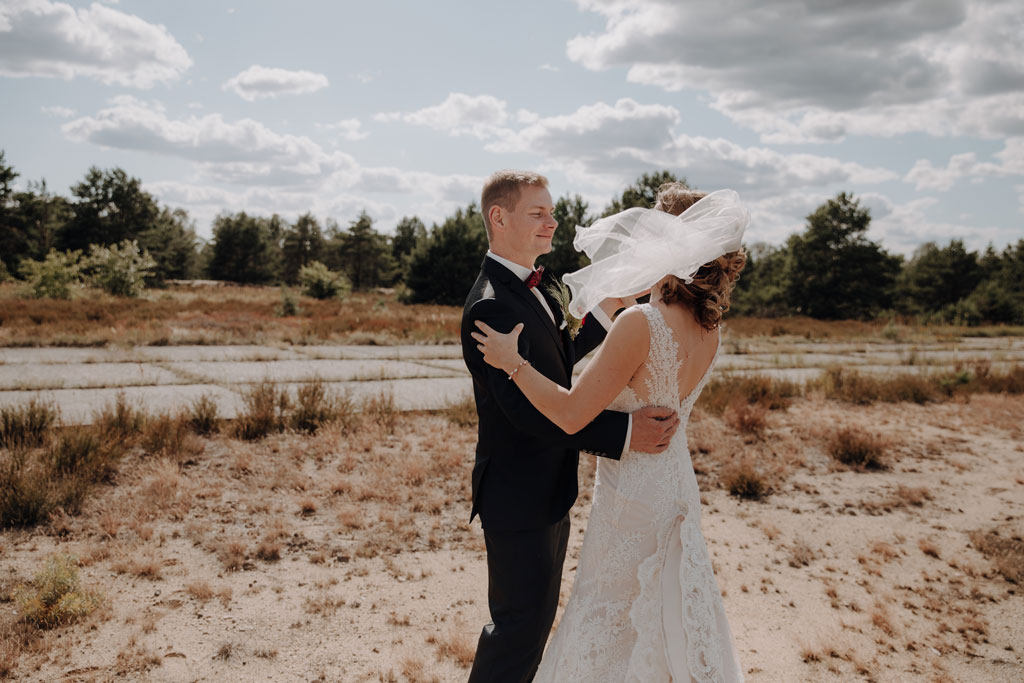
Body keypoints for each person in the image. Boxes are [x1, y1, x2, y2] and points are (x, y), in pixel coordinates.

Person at [472, 182, 748, 682]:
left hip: (633, 494)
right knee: (664, 613)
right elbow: (580, 364)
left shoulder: (641, 323)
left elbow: (573, 411)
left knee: (611, 609)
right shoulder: (709, 326)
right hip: (673, 481)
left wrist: (515, 364)